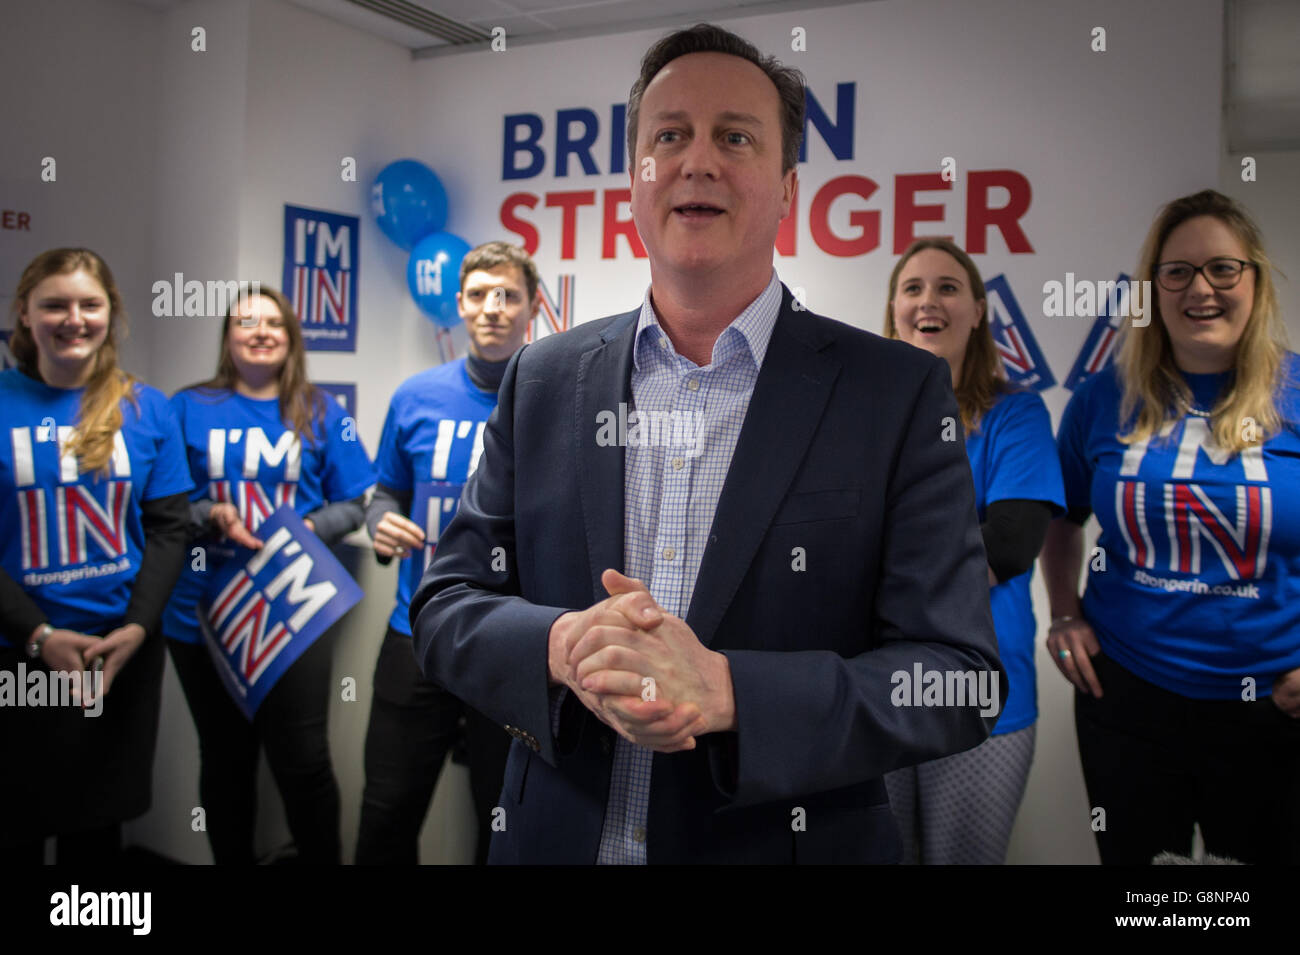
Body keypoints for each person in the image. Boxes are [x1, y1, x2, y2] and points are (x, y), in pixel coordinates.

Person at [409, 24, 1003, 864]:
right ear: (635, 180)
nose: (697, 161)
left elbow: (958, 679)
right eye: (669, 136)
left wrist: (732, 693)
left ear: (789, 189)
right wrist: (561, 647)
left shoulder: (893, 393)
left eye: (735, 136)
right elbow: (443, 606)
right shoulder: (543, 379)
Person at [1041, 189, 1300, 865]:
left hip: (1271, 704)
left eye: (1222, 268)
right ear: (1153, 290)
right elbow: (1063, 518)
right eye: (1177, 272)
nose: (1200, 289)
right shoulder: (1104, 397)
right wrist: (1063, 613)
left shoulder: (1298, 392)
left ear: (1255, 280)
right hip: (1127, 694)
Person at [162, 286, 375, 864]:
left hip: (294, 606)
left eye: (273, 324)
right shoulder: (185, 407)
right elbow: (160, 505)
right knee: (225, 757)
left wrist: (306, 523)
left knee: (303, 759)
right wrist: (210, 514)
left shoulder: (323, 409)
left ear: (291, 337)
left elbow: (356, 502)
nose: (260, 333)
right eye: (245, 323)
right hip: (202, 609)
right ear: (227, 337)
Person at [0, 248, 193, 863]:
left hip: (119, 657)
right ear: (24, 315)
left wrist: (135, 629)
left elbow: (169, 529)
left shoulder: (147, 407)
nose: (73, 319)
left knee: (97, 829)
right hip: (19, 658)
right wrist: (38, 635)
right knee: (15, 825)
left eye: (90, 304)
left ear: (112, 314)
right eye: (54, 304)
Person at [355, 241, 540, 865]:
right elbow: (385, 494)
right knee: (385, 815)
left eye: (508, 295)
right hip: (416, 632)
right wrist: (380, 522)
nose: (493, 308)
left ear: (532, 306)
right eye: (480, 295)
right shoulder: (415, 397)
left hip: (510, 643)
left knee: (504, 821)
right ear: (458, 306)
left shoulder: (557, 399)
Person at [881, 237, 1064, 863]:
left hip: (982, 696)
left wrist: (878, 572)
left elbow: (1011, 546)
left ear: (979, 310)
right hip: (872, 687)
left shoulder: (1015, 414)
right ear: (894, 309)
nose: (929, 301)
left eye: (948, 287)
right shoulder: (860, 418)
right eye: (913, 288)